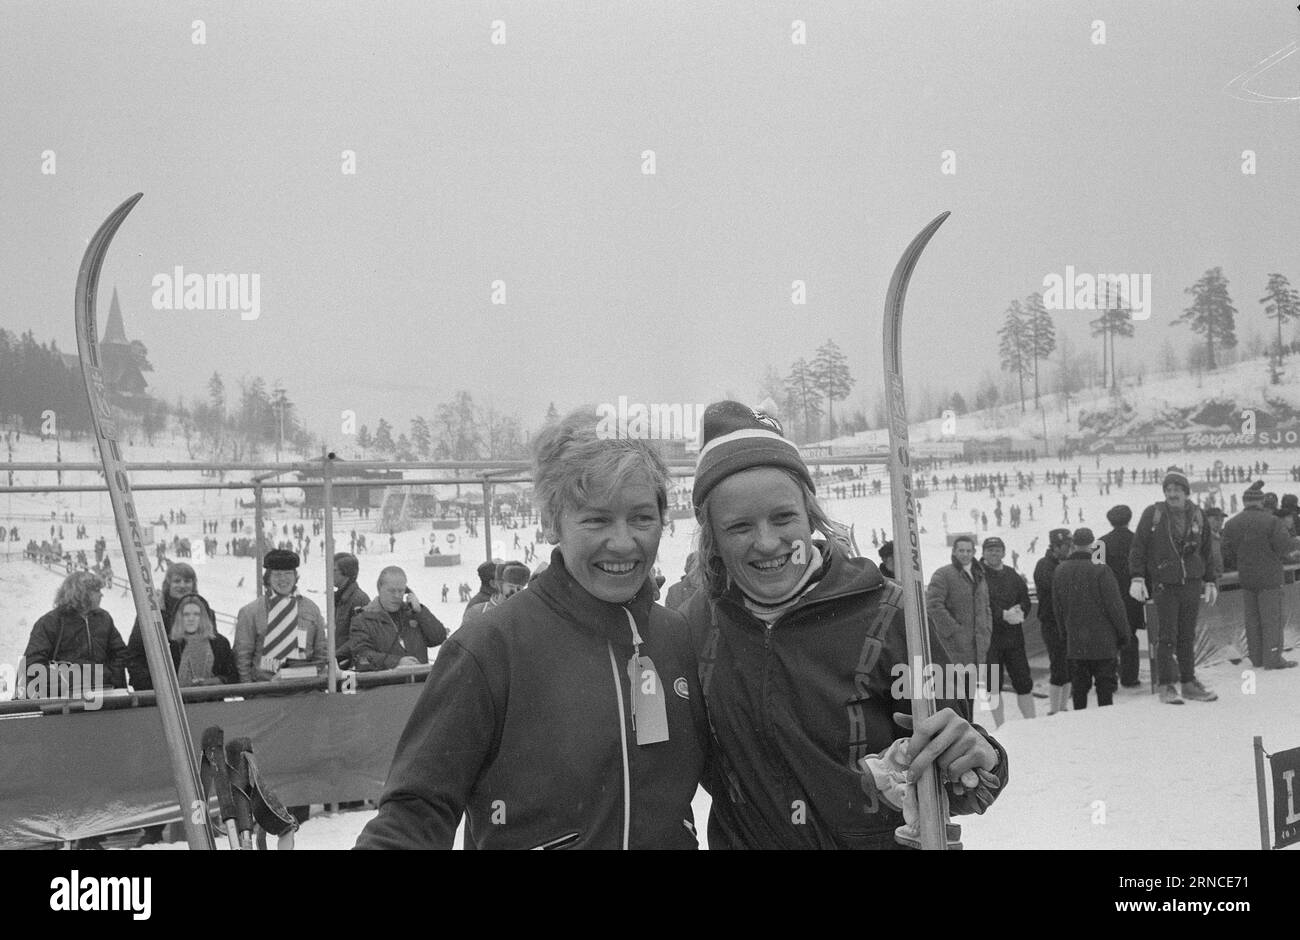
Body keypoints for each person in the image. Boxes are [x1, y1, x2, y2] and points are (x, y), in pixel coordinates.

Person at [356, 407, 707, 849]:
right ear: (549, 523)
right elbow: (416, 811)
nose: (622, 542)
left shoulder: (676, 638)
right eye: (595, 519)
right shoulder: (490, 648)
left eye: (641, 517)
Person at [682, 401, 1006, 850]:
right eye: (739, 526)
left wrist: (985, 758)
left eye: (783, 517)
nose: (768, 542)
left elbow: (963, 771)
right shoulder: (695, 627)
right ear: (711, 536)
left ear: (810, 512)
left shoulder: (892, 612)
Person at [1129, 469, 1219, 704]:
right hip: (1165, 584)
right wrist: (1137, 577)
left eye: (1177, 490)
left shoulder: (1198, 515)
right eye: (1168, 490)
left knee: (1187, 636)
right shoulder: (1153, 514)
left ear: (1186, 493)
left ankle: (1188, 682)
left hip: (1191, 582)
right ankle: (1167, 685)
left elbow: (1207, 550)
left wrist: (1210, 579)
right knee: (1167, 635)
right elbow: (1138, 546)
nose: (1172, 494)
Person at [1222, 481, 1298, 669]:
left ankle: (1256, 657)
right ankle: (1272, 659)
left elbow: (1227, 551)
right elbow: (1284, 547)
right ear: (1261, 501)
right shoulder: (1271, 521)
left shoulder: (1231, 523)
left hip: (1246, 578)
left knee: (1253, 620)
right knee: (1271, 619)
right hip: (1270, 577)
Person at [1052, 528, 1130, 709]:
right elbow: (1115, 607)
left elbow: (1058, 609)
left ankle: (1081, 726)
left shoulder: (1060, 571)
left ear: (1073, 544)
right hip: (1104, 642)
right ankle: (1104, 726)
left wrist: (1066, 635)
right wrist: (1123, 633)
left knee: (1079, 690)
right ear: (1092, 544)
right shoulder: (1101, 569)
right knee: (1105, 689)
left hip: (1076, 643)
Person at [22, 570, 126, 695]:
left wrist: (110, 677)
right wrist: (68, 683)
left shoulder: (104, 618)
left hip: (103, 695)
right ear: (81, 593)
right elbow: (33, 663)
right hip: (63, 704)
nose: (101, 595)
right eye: (97, 590)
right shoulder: (50, 622)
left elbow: (120, 654)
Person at [233, 549, 328, 683]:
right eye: (277, 574)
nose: (283, 579)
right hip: (265, 692)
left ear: (295, 577)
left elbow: (321, 653)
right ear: (268, 578)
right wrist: (250, 693)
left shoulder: (311, 609)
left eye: (288, 573)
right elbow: (242, 658)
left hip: (304, 691)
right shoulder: (250, 612)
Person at [924, 535, 993, 706]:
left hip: (976, 646)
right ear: (954, 552)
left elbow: (985, 605)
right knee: (953, 694)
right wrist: (954, 630)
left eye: (969, 550)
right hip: (953, 648)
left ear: (974, 552)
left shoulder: (979, 574)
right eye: (961, 550)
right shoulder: (943, 574)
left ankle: (968, 726)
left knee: (969, 695)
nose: (965, 554)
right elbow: (933, 606)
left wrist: (987, 629)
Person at [979, 536, 1035, 724]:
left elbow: (1025, 599)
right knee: (992, 684)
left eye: (997, 550)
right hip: (990, 639)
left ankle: (1031, 721)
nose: (994, 553)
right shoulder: (978, 574)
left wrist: (1021, 611)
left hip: (1014, 639)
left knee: (1023, 680)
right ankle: (999, 725)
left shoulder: (1012, 574)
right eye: (990, 550)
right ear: (983, 552)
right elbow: (978, 603)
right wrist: (1001, 614)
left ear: (1003, 552)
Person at [349, 567, 448, 670]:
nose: (396, 596)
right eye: (391, 591)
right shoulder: (363, 620)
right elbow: (361, 658)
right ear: (379, 588)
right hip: (387, 684)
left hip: (419, 683)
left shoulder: (413, 613)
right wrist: (396, 663)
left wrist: (420, 612)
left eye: (401, 591)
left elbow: (438, 637)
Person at [125, 562, 200, 690]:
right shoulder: (151, 613)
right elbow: (135, 652)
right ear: (168, 584)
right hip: (158, 689)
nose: (182, 585)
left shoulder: (203, 611)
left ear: (193, 584)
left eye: (187, 581)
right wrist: (147, 682)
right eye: (177, 581)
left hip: (194, 689)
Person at [1100, 505, 1145, 688]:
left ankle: (1109, 678)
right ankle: (1130, 677)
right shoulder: (1138, 541)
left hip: (1108, 598)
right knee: (1130, 636)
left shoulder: (1100, 543)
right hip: (1132, 597)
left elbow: (1095, 572)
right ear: (1129, 518)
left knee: (1109, 637)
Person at [1033, 529, 1074, 714]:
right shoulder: (1044, 565)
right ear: (1056, 547)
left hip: (1068, 623)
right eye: (1066, 545)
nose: (1070, 549)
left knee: (1069, 665)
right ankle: (1055, 709)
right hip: (1052, 623)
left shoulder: (1067, 563)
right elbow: (1057, 589)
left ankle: (1063, 706)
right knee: (1058, 665)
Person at [171, 594, 239, 686]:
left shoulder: (219, 643)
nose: (191, 619)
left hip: (213, 698)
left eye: (196, 614)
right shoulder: (171, 644)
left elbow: (233, 678)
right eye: (186, 614)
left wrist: (214, 682)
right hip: (179, 699)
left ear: (204, 617)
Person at [461, 561, 529, 626]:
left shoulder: (526, 612)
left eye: (520, 587)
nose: (515, 591)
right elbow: (463, 637)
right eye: (511, 586)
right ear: (499, 585)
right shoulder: (477, 612)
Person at [332, 552, 370, 667]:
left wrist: (335, 655)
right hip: (340, 662)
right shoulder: (340, 598)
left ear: (346, 572)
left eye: (334, 570)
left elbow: (359, 638)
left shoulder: (359, 599)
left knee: (347, 685)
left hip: (350, 664)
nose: (329, 574)